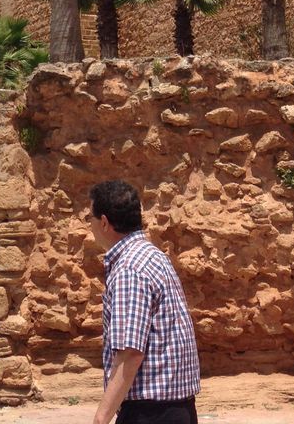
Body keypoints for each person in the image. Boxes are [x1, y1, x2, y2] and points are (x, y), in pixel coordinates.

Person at [88, 180, 200, 424]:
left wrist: (101, 418)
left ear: (104, 222)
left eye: (92, 219)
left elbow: (130, 353)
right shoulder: (153, 256)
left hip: (150, 413)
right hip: (178, 408)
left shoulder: (129, 269)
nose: (91, 226)